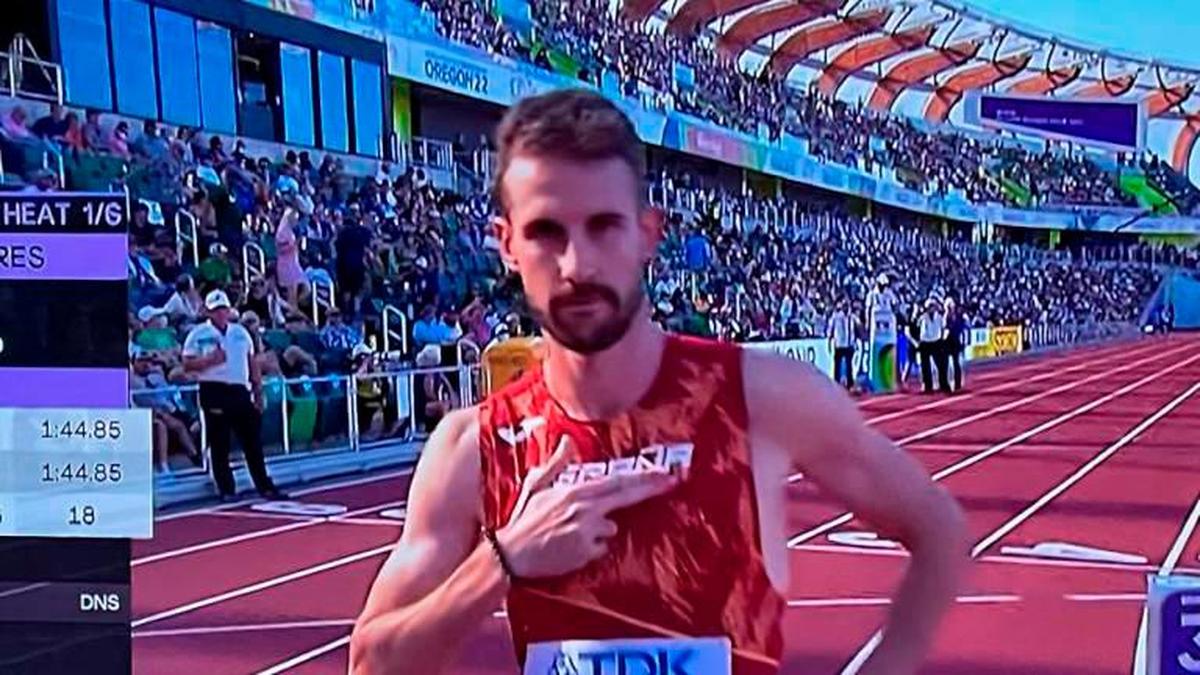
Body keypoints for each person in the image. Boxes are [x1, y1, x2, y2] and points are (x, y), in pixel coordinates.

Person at [350, 90, 966, 675]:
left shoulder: (762, 398)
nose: (577, 265)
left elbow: (938, 528)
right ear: (506, 245)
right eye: (546, 232)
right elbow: (370, 663)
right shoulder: (474, 450)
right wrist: (504, 560)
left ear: (648, 232)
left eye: (603, 226)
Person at [182, 290, 286, 501]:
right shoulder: (197, 335)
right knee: (220, 442)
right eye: (216, 310)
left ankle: (264, 485)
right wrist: (209, 361)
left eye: (223, 309)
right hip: (213, 388)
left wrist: (258, 390)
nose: (220, 314)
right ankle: (226, 488)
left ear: (229, 310)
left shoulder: (240, 333)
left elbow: (252, 362)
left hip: (239, 390)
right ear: (208, 313)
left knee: (252, 441)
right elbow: (187, 364)